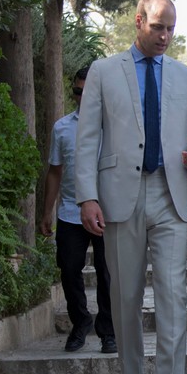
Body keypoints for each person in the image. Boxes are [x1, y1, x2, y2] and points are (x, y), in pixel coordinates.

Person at [75, 0, 187, 374]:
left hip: (171, 194)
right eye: (157, 27)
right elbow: (87, 139)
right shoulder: (102, 71)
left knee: (174, 296)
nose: (166, 35)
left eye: (171, 27)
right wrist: (87, 196)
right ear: (138, 21)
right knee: (125, 297)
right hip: (119, 196)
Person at [40, 66, 115, 354]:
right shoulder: (62, 127)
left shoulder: (113, 126)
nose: (82, 97)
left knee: (107, 272)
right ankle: (80, 322)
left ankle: (108, 331)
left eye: (88, 91)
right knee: (69, 269)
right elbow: (54, 171)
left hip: (108, 212)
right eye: (77, 91)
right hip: (71, 211)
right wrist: (47, 211)